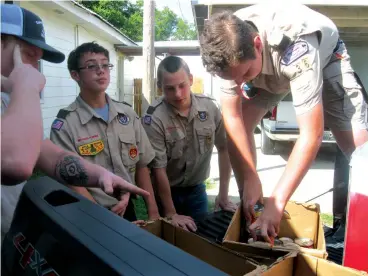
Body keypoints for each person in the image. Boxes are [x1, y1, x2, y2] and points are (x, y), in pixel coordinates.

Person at [199, 3, 368, 242]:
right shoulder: (228, 49)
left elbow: (311, 134)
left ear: (257, 45)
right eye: (232, 80)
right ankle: (251, 209)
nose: (239, 87)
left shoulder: (297, 47)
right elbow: (233, 119)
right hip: (266, 70)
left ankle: (362, 228)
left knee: (358, 149)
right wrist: (250, 177)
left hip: (324, 58)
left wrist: (277, 203)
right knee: (237, 130)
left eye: (243, 76)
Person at [1, 4, 148, 239]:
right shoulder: (23, 92)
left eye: (39, 61)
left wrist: (101, 175)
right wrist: (26, 85)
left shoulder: (10, 99)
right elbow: (15, 164)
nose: (36, 70)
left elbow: (52, 156)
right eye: (28, 55)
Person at [50, 42, 160, 221]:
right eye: (92, 66)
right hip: (87, 214)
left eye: (105, 65)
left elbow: (142, 165)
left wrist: (153, 212)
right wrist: (101, 219)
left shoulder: (128, 114)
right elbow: (71, 182)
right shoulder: (66, 125)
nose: (101, 71)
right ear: (75, 74)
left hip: (127, 209)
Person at [142, 56, 236, 231]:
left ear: (191, 80)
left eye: (182, 85)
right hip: (166, 192)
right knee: (169, 241)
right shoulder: (153, 118)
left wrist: (223, 194)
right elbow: (158, 169)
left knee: (201, 238)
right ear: (159, 86)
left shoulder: (209, 108)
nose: (177, 94)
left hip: (196, 190)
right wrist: (171, 213)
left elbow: (224, 149)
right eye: (169, 89)